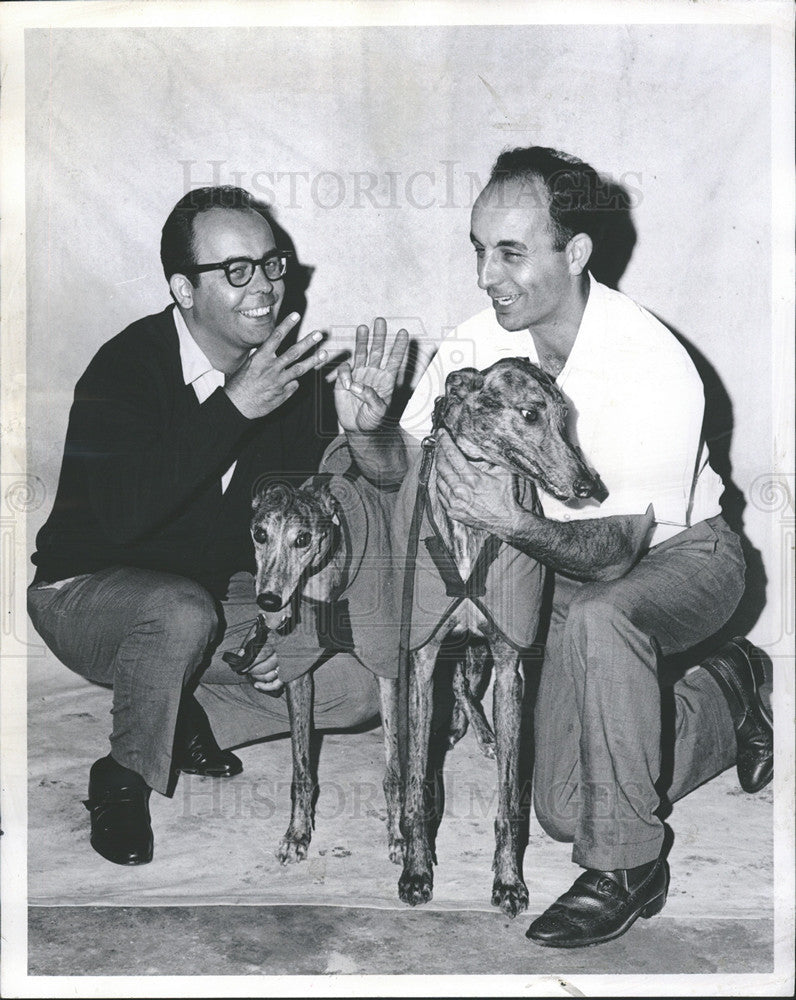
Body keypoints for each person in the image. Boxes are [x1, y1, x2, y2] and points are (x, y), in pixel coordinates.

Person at [355, 147, 774, 948]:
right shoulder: (474, 344)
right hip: (558, 567)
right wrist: (368, 426)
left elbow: (618, 552)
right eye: (478, 248)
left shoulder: (650, 360)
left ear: (574, 253)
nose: (486, 274)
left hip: (682, 560)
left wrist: (513, 525)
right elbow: (397, 479)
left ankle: (629, 867)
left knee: (603, 617)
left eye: (510, 251)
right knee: (559, 810)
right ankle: (728, 688)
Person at [27, 185, 386, 867]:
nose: (266, 289)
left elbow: (316, 528)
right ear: (185, 290)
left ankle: (188, 716)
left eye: (272, 263)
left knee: (357, 686)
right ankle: (124, 776)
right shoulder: (125, 368)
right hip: (86, 595)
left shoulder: (295, 382)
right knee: (179, 611)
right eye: (237, 271)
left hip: (212, 594)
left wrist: (366, 442)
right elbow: (121, 520)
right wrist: (232, 410)